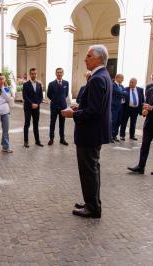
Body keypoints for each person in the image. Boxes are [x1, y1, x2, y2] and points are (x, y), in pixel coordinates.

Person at [62, 44, 112, 218]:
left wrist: (72, 114)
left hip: (89, 133)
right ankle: (92, 202)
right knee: (92, 170)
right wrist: (79, 107)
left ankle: (92, 208)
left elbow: (95, 111)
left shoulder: (97, 78)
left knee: (89, 171)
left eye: (89, 56)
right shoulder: (103, 75)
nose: (85, 59)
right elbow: (94, 106)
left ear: (98, 58)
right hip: (94, 132)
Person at [47, 68, 69, 146]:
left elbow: (66, 94)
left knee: (62, 123)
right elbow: (48, 95)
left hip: (63, 106)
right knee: (52, 123)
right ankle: (51, 139)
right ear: (55, 74)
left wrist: (61, 100)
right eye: (58, 72)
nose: (59, 74)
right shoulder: (51, 84)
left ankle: (62, 139)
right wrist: (55, 100)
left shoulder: (66, 83)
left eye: (60, 72)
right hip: (54, 106)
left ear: (63, 73)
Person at [22, 68, 44, 148]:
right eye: (32, 74)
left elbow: (41, 96)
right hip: (28, 107)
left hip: (36, 108)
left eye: (35, 73)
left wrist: (37, 104)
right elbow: (25, 96)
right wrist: (32, 104)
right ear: (29, 74)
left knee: (36, 124)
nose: (33, 75)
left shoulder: (39, 84)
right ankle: (26, 142)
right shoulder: (25, 84)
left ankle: (37, 141)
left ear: (36, 74)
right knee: (27, 124)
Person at [111, 73, 126, 142]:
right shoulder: (112, 85)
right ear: (117, 78)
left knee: (118, 121)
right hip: (114, 107)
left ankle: (115, 135)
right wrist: (122, 92)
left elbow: (125, 93)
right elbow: (119, 92)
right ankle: (110, 136)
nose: (123, 80)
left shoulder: (121, 86)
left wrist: (122, 93)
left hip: (121, 107)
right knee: (113, 121)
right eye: (122, 78)